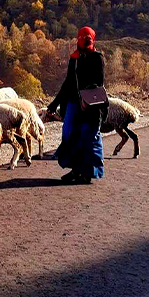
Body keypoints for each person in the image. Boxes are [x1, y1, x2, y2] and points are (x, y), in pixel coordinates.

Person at [47, 26, 106, 184]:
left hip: (91, 105)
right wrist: (54, 103)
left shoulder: (97, 58)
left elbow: (98, 82)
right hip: (73, 103)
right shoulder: (75, 58)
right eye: (81, 37)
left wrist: (85, 97)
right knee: (70, 136)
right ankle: (76, 170)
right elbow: (68, 83)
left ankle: (86, 173)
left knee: (88, 137)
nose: (83, 40)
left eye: (85, 38)